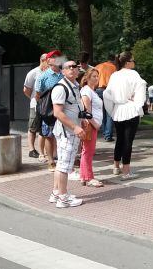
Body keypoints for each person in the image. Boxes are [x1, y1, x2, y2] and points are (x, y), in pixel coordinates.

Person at [103, 51, 146, 180]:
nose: (134, 62)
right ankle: (126, 170)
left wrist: (112, 109)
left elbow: (107, 94)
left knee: (120, 139)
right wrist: (137, 104)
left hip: (117, 110)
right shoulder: (134, 74)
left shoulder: (115, 75)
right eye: (133, 60)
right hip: (130, 109)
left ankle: (116, 166)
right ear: (127, 62)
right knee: (128, 141)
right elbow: (141, 92)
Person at [49, 60, 85, 208]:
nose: (72, 69)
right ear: (62, 71)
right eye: (68, 67)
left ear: (77, 70)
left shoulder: (74, 86)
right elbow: (58, 113)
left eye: (74, 66)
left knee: (61, 164)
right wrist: (75, 127)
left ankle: (56, 193)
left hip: (69, 131)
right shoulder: (61, 88)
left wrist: (82, 119)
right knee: (65, 165)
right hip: (67, 132)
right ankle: (63, 198)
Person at [35, 51, 64, 170]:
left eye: (58, 56)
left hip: (62, 109)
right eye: (53, 57)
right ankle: (51, 160)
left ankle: (61, 159)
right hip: (48, 110)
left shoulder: (63, 74)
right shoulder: (43, 76)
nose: (57, 59)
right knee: (48, 135)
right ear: (48, 61)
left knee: (62, 135)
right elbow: (38, 95)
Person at [79, 68, 104, 187]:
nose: (96, 78)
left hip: (93, 125)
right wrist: (95, 124)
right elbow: (87, 111)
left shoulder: (92, 91)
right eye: (93, 76)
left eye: (97, 76)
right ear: (87, 78)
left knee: (88, 151)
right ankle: (88, 177)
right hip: (90, 125)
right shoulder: (86, 91)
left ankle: (84, 176)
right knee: (88, 151)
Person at [23, 53, 48, 159]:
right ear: (42, 61)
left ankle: (46, 150)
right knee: (33, 127)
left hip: (47, 105)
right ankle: (31, 149)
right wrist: (33, 98)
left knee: (45, 128)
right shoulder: (33, 73)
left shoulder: (50, 73)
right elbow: (26, 90)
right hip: (36, 104)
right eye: (48, 61)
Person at [94, 54, 117, 142]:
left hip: (98, 90)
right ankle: (108, 135)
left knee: (102, 113)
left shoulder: (98, 66)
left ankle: (104, 132)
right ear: (114, 60)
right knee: (109, 113)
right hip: (109, 91)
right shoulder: (113, 68)